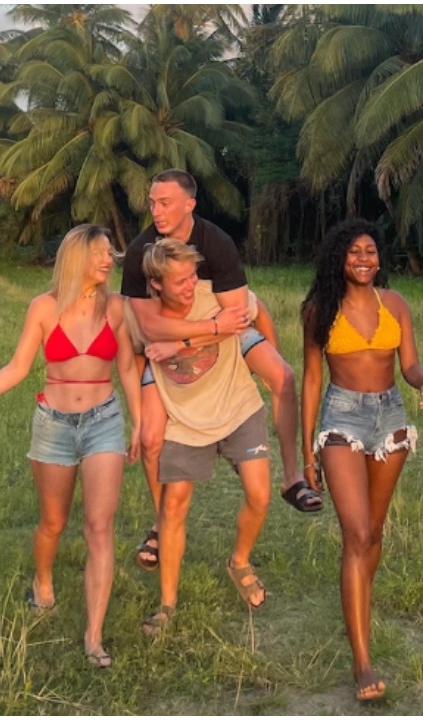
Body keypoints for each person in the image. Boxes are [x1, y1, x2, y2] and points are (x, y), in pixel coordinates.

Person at [0, 224, 141, 669]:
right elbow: (17, 368)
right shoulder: (43, 307)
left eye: (109, 252)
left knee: (99, 526)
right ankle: (43, 581)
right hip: (53, 424)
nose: (107, 259)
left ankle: (94, 635)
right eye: (98, 252)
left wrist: (139, 421)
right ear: (75, 258)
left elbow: (129, 368)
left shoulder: (117, 308)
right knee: (52, 524)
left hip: (104, 422)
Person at [120, 170, 321, 576]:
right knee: (151, 437)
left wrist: (186, 340)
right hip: (173, 344)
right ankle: (161, 523)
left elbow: (237, 317)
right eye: (152, 202)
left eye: (165, 202)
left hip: (220, 336)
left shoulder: (216, 243)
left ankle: (291, 476)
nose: (156, 211)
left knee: (282, 377)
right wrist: (196, 334)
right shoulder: (143, 249)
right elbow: (149, 328)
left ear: (189, 204)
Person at [300, 219, 423, 701]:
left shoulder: (394, 304)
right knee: (356, 533)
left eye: (371, 251)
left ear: (380, 259)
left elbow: (409, 365)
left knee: (373, 533)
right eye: (355, 251)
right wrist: (306, 454)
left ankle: (358, 599)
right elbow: (312, 380)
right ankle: (362, 661)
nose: (364, 258)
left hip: (390, 417)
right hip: (341, 417)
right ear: (340, 257)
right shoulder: (320, 309)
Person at [127, 239, 273, 635]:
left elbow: (250, 318)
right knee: (173, 508)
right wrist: (141, 419)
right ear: (156, 285)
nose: (191, 285)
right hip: (185, 419)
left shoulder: (215, 296)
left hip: (238, 406)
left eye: (193, 275)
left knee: (260, 495)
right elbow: (133, 359)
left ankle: (239, 561)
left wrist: (182, 343)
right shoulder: (143, 315)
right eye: (180, 281)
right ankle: (167, 606)